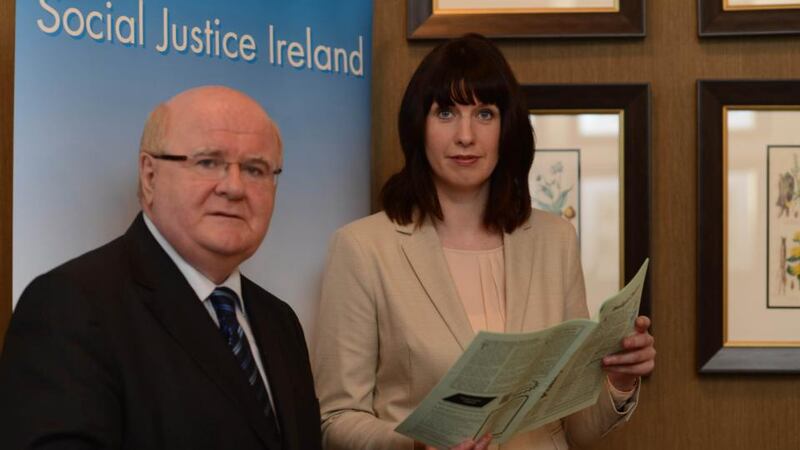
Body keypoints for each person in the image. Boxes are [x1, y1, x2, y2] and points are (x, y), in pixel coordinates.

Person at [313, 34, 655, 450]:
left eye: (485, 114)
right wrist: (417, 445)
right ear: (418, 126)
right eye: (445, 113)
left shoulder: (555, 240)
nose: (465, 135)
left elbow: (575, 428)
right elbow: (335, 419)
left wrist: (619, 379)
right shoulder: (362, 248)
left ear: (506, 128)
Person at [0, 86, 322, 450]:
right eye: (208, 162)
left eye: (255, 169)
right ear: (149, 176)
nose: (234, 187)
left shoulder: (280, 322)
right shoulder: (71, 306)